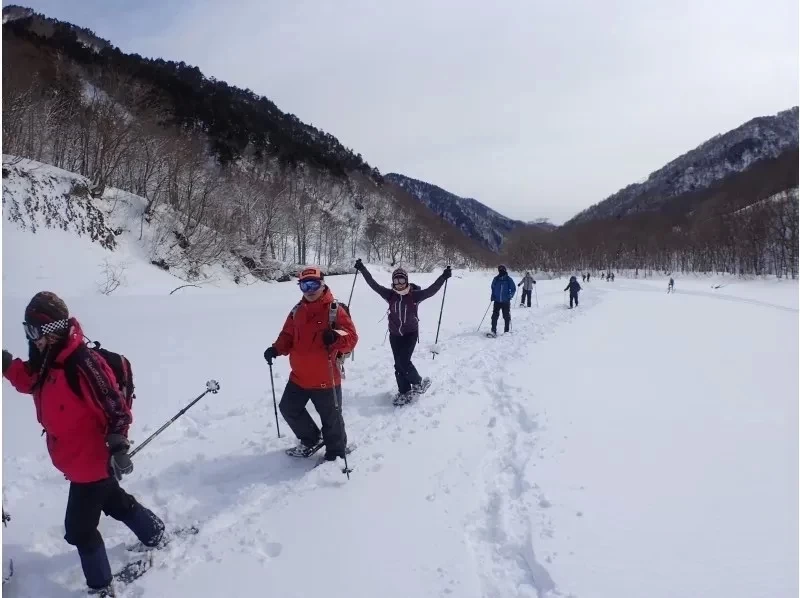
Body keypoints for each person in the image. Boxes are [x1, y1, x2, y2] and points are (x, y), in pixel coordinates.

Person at [2, 292, 164, 597]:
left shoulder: (83, 363)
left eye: (35, 330)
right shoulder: (48, 358)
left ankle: (101, 587)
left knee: (79, 530)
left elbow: (116, 407)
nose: (30, 337)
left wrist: (119, 447)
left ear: (51, 331)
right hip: (75, 459)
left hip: (92, 462)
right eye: (27, 329)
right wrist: (7, 365)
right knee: (113, 501)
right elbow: (30, 381)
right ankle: (155, 532)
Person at [263, 267, 358, 461]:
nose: (309, 289)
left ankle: (337, 454)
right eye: (304, 285)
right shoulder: (296, 310)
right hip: (299, 376)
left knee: (331, 420)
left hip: (326, 377)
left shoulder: (335, 310)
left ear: (322, 284)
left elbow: (352, 337)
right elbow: (287, 335)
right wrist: (276, 349)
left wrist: (335, 337)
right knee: (289, 409)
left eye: (314, 284)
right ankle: (311, 439)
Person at [355, 260, 451, 402]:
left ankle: (418, 383)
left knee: (404, 362)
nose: (399, 283)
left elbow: (432, 290)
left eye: (402, 280)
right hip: (395, 335)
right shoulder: (389, 295)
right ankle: (404, 391)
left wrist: (443, 277)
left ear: (406, 281)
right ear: (393, 282)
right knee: (398, 364)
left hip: (410, 334)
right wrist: (362, 269)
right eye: (396, 280)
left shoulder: (415, 296)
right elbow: (373, 284)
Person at [489, 265, 516, 336]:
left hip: (505, 301)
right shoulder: (496, 279)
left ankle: (506, 331)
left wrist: (509, 296)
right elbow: (493, 287)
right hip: (497, 301)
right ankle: (493, 331)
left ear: (505, 270)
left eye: (502, 270)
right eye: (499, 270)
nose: (501, 271)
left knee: (506, 316)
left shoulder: (508, 279)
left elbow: (513, 289)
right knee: (494, 316)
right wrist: (492, 296)